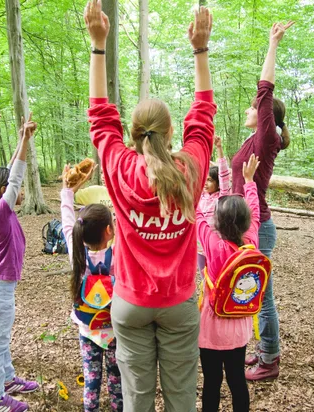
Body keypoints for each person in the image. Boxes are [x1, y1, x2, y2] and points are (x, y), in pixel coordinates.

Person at [84, 1, 216, 410]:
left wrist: (98, 45)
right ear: (171, 131)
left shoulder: (120, 167)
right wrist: (200, 50)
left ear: (132, 133)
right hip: (177, 303)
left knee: (137, 399)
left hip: (131, 304)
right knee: (181, 400)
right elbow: (204, 115)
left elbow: (100, 117)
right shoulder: (191, 168)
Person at [229, 21, 294, 381]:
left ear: (266, 115)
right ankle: (259, 351)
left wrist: (272, 43)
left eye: (254, 106)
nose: (250, 108)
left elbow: (265, 88)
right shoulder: (251, 140)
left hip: (259, 225)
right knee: (247, 291)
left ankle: (270, 358)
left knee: (262, 296)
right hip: (242, 224)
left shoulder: (265, 137)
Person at [0, 114, 39, 412]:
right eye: (13, 189)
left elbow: (9, 176)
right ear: (4, 193)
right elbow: (14, 176)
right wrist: (25, 141)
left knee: (1, 339)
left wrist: (21, 140)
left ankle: (7, 380)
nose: (21, 190)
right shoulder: (0, 212)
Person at [197, 154, 261, 412]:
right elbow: (255, 212)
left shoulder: (214, 245)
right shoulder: (251, 242)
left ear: (218, 223)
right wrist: (249, 182)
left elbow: (196, 214)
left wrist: (193, 181)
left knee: (211, 383)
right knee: (237, 382)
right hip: (239, 327)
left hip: (211, 327)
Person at [61, 163, 123, 412]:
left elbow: (67, 220)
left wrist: (68, 190)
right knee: (118, 385)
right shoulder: (120, 255)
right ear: (110, 230)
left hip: (87, 328)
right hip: (115, 330)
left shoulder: (76, 253)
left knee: (91, 383)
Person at [197, 135, 231, 274]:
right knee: (203, 276)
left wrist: (219, 148)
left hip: (216, 245)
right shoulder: (200, 196)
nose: (205, 183)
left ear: (217, 182)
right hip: (199, 246)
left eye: (210, 180)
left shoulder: (222, 197)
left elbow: (224, 174)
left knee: (216, 275)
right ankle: (206, 295)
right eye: (204, 179)